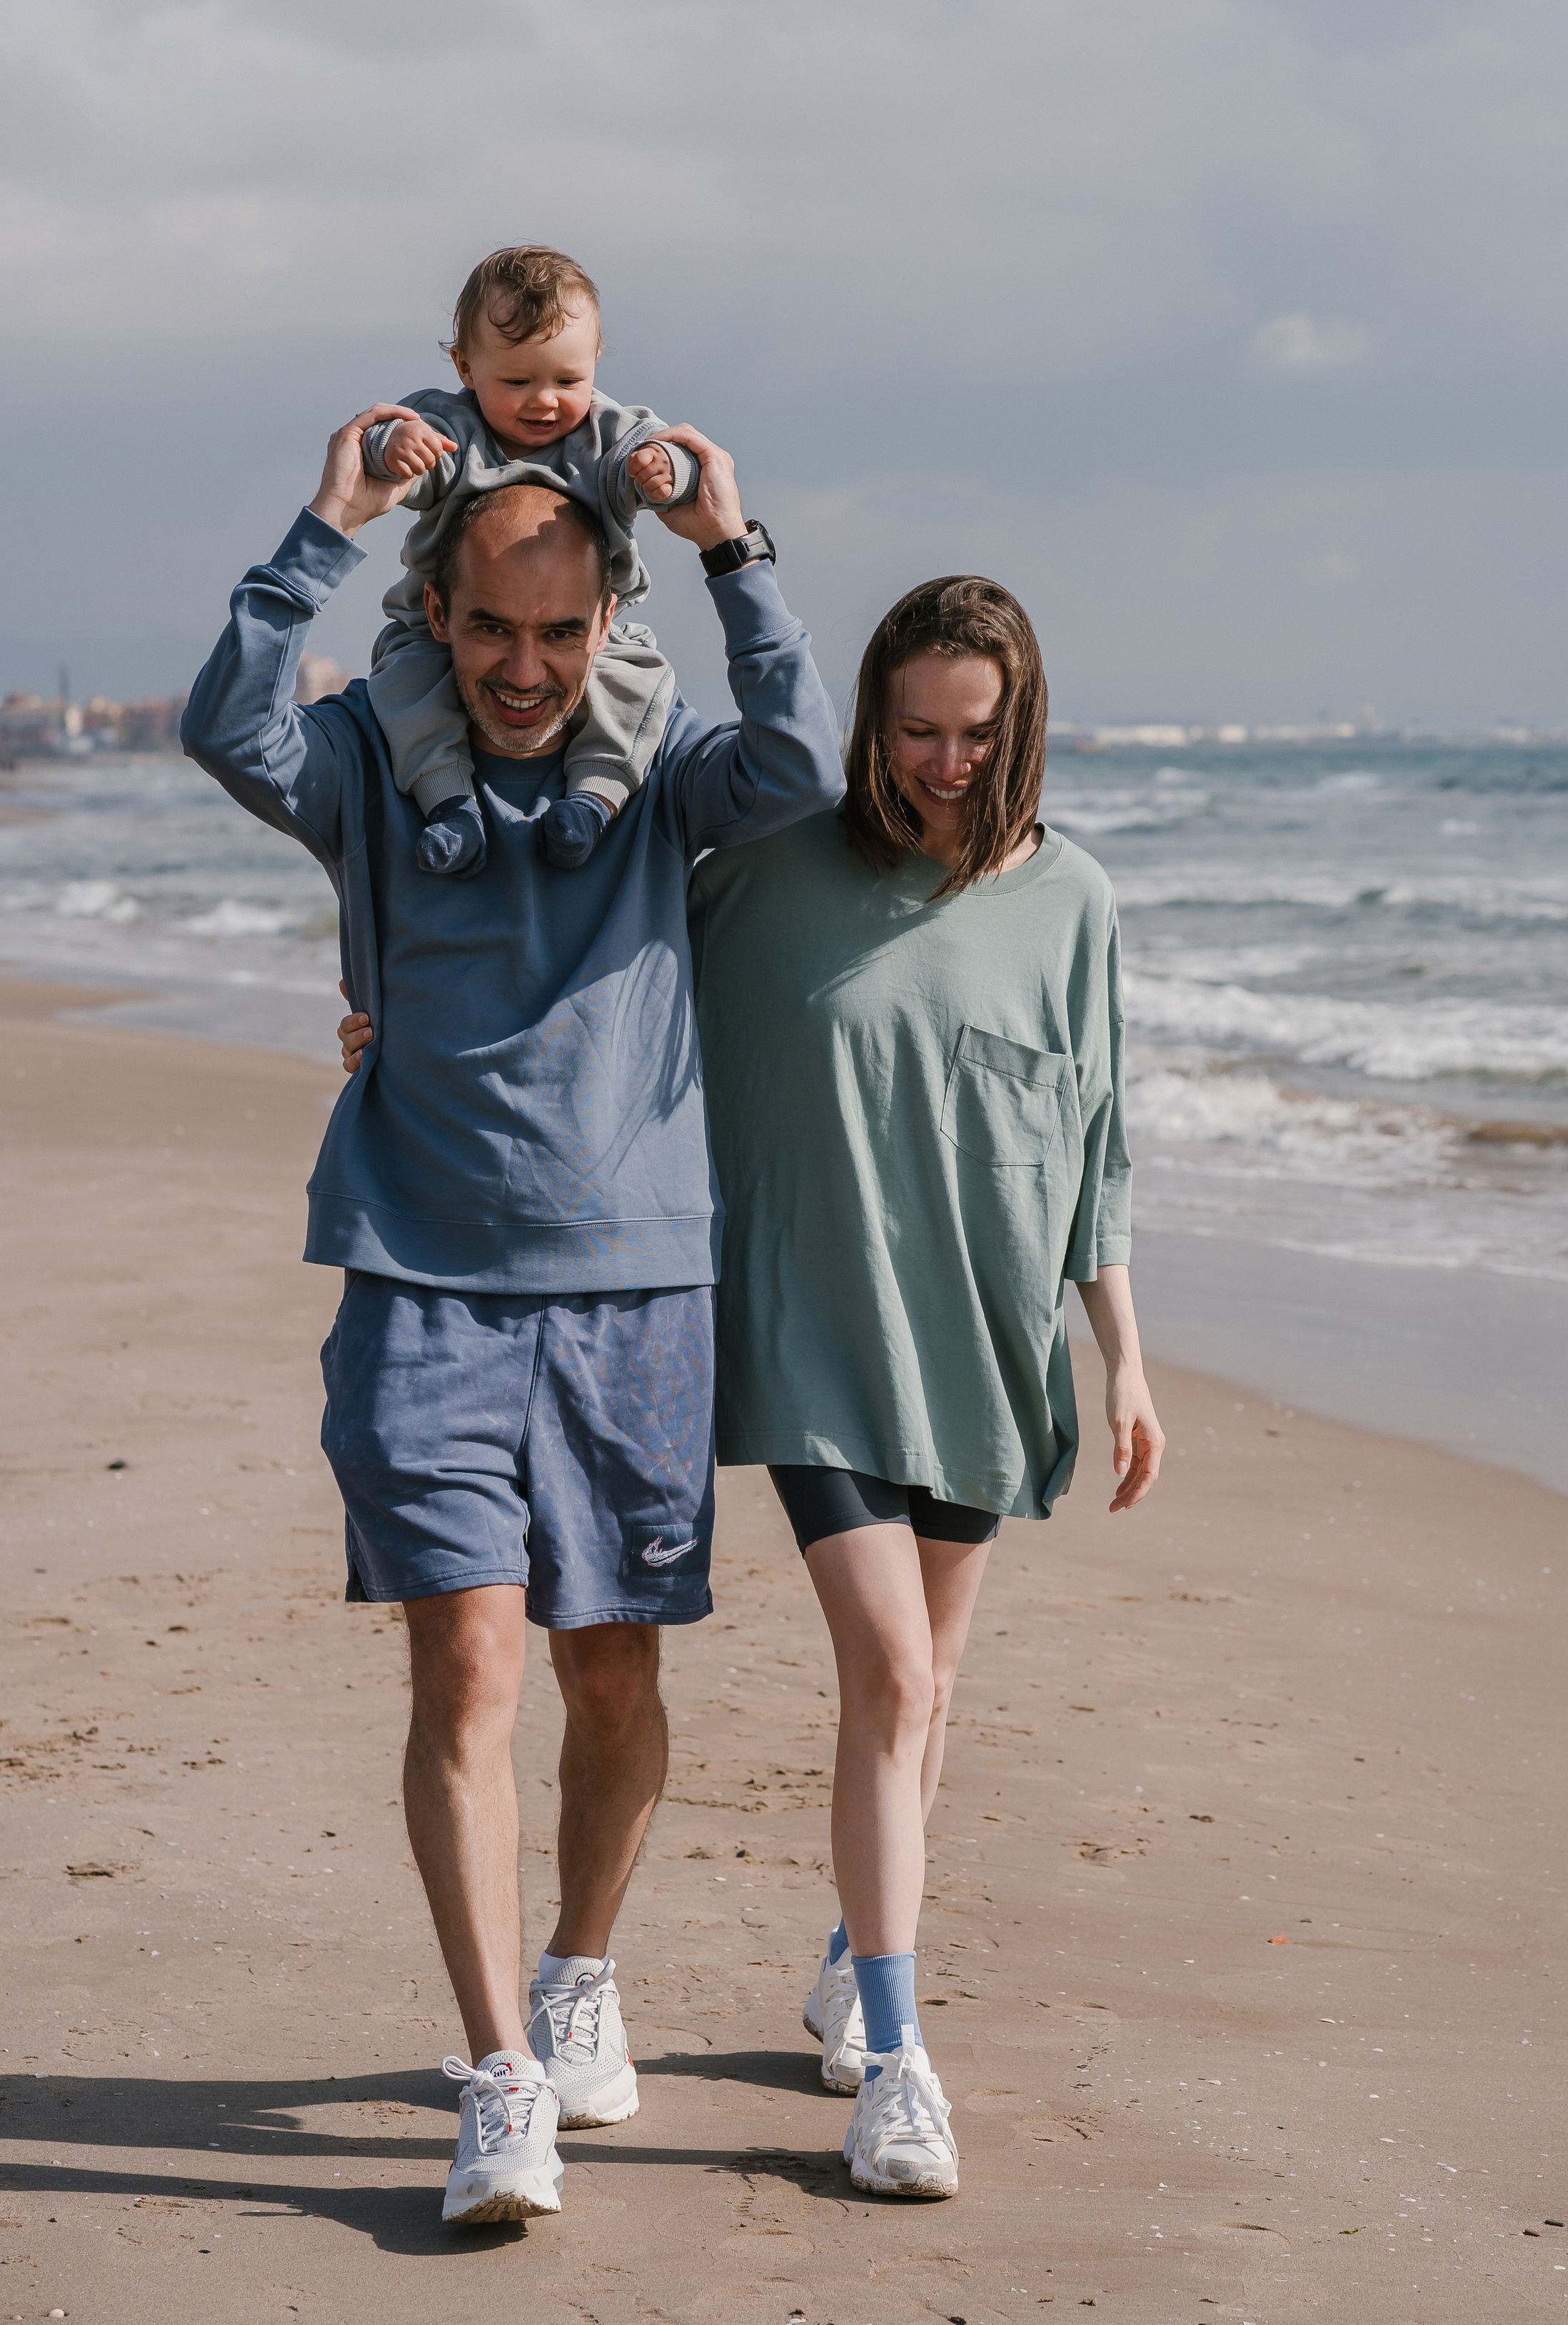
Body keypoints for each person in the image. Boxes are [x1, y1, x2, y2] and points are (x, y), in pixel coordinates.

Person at [182, 406, 843, 2227]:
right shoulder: (368, 767)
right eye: (492, 630)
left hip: (636, 1281)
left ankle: (576, 1971)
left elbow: (796, 761)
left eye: (562, 633)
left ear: (609, 623)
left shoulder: (669, 768)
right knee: (465, 1662)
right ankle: (495, 2075)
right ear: (438, 619)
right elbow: (225, 723)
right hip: (418, 1277)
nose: (526, 669)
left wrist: (734, 549)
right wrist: (323, 515)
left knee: (612, 1667)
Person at [688, 574, 1165, 2200]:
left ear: (1015, 725)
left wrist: (1124, 1357)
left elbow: (1091, 1141)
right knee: (891, 1668)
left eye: (975, 732)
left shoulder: (1073, 899)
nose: (943, 760)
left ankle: (847, 1956)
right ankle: (896, 2058)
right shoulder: (761, 876)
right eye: (914, 728)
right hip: (810, 1334)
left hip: (982, 1341)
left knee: (928, 1688)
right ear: (868, 717)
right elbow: (589, 994)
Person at [360, 243, 698, 879]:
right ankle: (451, 806)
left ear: (596, 364)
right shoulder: (452, 430)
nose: (544, 402)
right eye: (517, 382)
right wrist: (394, 447)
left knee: (637, 682)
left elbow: (668, 455)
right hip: (441, 632)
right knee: (405, 687)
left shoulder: (607, 436)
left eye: (568, 381)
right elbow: (389, 450)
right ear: (465, 366)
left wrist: (666, 473)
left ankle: (594, 801)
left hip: (588, 635)